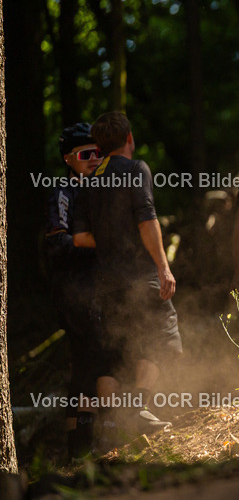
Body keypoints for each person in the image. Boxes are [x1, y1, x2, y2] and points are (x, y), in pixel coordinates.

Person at [72, 111, 182, 441]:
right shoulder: (137, 170)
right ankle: (138, 411)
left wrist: (112, 236)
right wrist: (163, 266)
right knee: (166, 340)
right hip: (140, 278)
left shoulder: (88, 180)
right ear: (129, 139)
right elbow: (147, 222)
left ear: (100, 146)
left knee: (114, 353)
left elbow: (79, 238)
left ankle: (110, 426)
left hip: (105, 283)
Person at [43, 123, 103, 459]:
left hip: (99, 288)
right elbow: (57, 243)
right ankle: (79, 449)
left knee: (90, 364)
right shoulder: (63, 192)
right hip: (75, 290)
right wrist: (98, 244)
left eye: (98, 152)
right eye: (85, 154)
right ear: (69, 159)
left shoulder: (103, 189)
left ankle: (81, 448)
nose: (93, 159)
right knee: (88, 361)